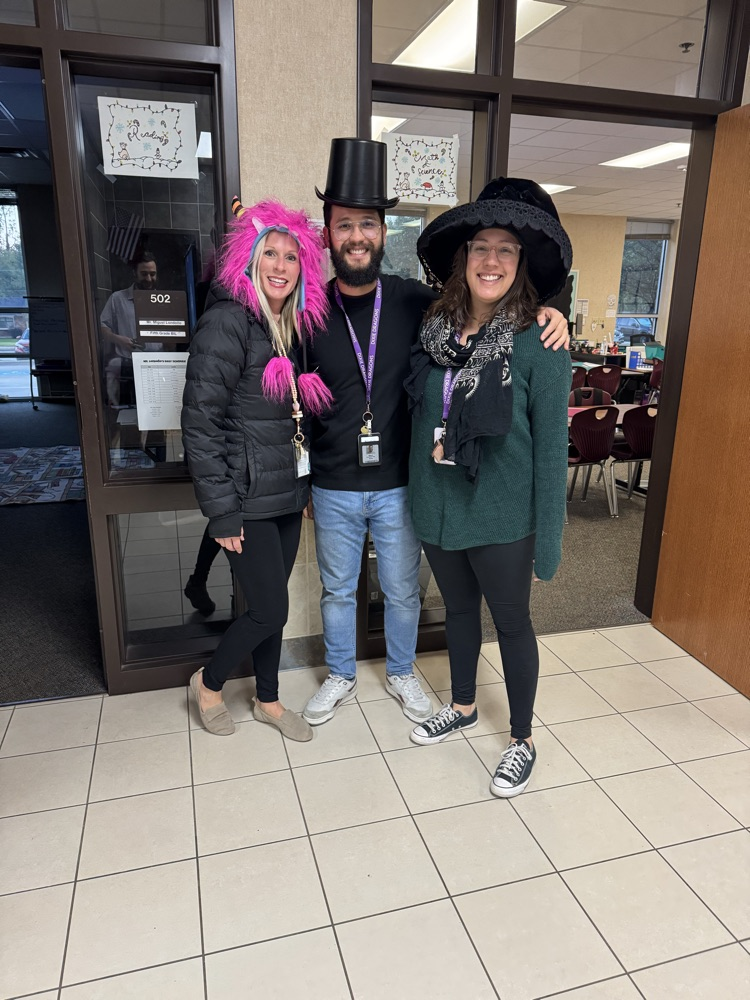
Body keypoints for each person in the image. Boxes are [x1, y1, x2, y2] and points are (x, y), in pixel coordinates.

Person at [302, 139, 570, 728]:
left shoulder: (414, 305)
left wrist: (554, 311)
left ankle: (406, 676)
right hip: (342, 485)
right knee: (340, 592)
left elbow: (497, 303)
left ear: (381, 231)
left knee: (405, 594)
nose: (356, 236)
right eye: (344, 224)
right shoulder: (314, 314)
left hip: (403, 485)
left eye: (367, 224)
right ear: (327, 233)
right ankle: (343, 674)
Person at [404, 177, 573, 798]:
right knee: (456, 612)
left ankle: (522, 739)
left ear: (521, 264)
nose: (492, 260)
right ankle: (466, 706)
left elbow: (553, 453)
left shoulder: (541, 343)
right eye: (481, 247)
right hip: (442, 509)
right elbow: (422, 419)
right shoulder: (434, 331)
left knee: (512, 621)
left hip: (504, 516)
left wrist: (549, 540)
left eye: (506, 250)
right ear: (463, 259)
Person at [181, 198, 332, 740]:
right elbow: (199, 424)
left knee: (275, 609)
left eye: (292, 257)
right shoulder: (227, 321)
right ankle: (210, 683)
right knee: (269, 609)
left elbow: (294, 419)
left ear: (304, 268)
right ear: (249, 258)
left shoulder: (290, 327)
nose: (280, 266)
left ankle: (268, 700)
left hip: (287, 493)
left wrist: (306, 484)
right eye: (270, 253)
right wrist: (222, 515)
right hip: (245, 499)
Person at [100, 252, 159, 406]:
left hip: (157, 365)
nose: (148, 279)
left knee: (156, 411)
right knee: (128, 413)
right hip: (128, 366)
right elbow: (102, 326)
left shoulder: (163, 300)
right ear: (134, 273)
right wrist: (118, 339)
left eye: (152, 274)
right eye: (144, 274)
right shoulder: (117, 299)